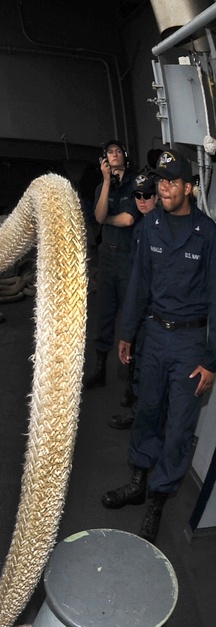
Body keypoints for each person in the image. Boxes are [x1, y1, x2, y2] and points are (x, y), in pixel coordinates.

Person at [101, 149, 216, 543]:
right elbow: (139, 284)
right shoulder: (149, 226)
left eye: (172, 182)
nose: (164, 188)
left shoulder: (207, 234)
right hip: (153, 336)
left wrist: (211, 360)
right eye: (161, 182)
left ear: (189, 187)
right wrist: (127, 333)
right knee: (147, 411)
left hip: (189, 343)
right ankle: (138, 482)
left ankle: (157, 499)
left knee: (180, 425)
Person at [84, 139, 139, 391]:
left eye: (118, 151)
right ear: (104, 159)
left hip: (128, 257)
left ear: (124, 156)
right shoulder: (101, 186)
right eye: (110, 152)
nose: (114, 155)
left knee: (130, 315)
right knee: (104, 314)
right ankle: (100, 370)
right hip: (107, 256)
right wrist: (106, 181)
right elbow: (98, 216)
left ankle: (131, 378)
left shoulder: (134, 184)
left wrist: (107, 219)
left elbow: (128, 220)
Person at [108, 169, 156, 430]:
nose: (142, 201)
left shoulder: (162, 228)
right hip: (142, 307)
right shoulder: (140, 230)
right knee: (137, 361)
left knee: (149, 368)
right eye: (137, 196)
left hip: (158, 311)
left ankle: (144, 417)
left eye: (147, 195)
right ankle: (137, 411)